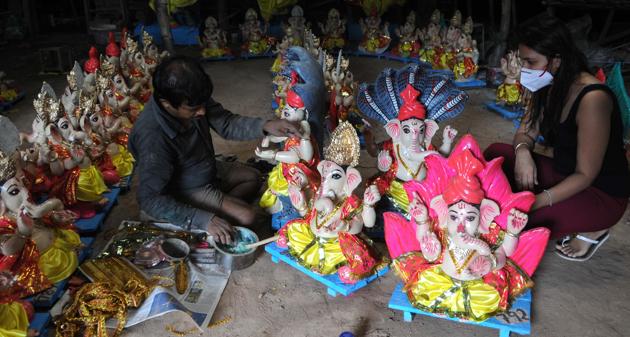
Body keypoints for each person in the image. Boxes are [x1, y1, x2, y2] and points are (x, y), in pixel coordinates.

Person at [484, 15, 630, 261]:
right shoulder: (548, 84)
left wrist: (537, 201)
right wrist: (522, 152)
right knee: (496, 155)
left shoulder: (593, 98)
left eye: (531, 62)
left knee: (512, 225)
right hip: (565, 173)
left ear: (557, 60)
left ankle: (595, 228)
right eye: (524, 61)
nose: (526, 70)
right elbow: (525, 132)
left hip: (599, 193)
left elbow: (585, 175)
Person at [129, 56, 301, 244]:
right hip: (183, 187)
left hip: (205, 167)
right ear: (166, 103)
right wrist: (202, 219)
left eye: (203, 104)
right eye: (194, 109)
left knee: (252, 177)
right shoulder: (152, 136)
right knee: (248, 217)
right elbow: (149, 198)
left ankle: (217, 210)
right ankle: (201, 216)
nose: (202, 112)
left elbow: (226, 123)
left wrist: (266, 125)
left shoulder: (192, 96)